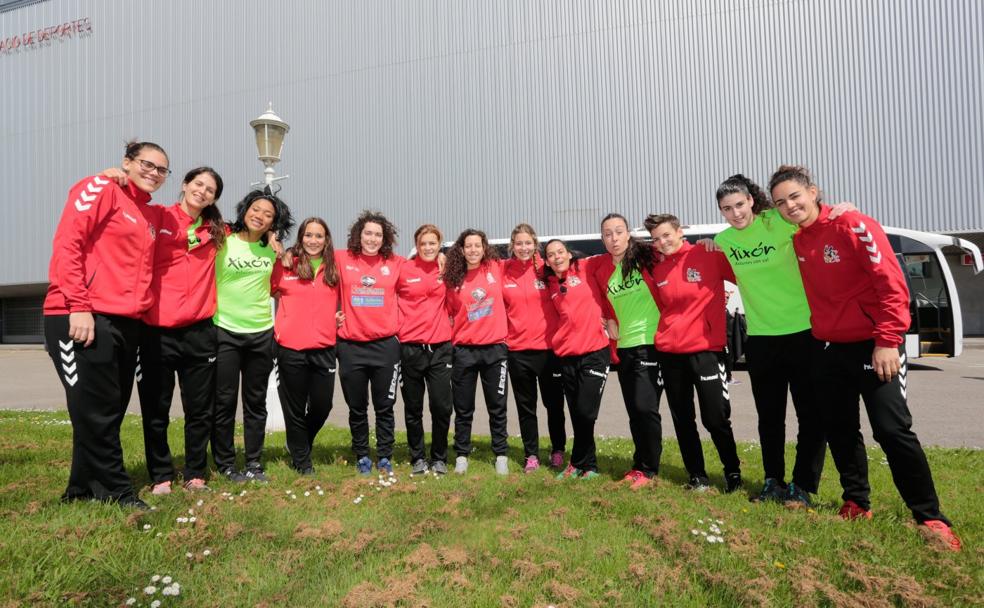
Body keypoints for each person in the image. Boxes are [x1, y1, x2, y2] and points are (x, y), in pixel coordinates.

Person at [770, 164, 961, 551]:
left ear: (814, 191)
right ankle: (856, 501)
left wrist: (888, 340)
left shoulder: (855, 225)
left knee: (892, 431)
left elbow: (891, 284)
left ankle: (930, 516)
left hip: (875, 347)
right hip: (826, 348)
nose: (789, 206)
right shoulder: (799, 240)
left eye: (795, 196)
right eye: (780, 202)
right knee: (840, 430)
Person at [43, 141, 168, 509]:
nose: (154, 173)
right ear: (127, 162)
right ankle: (118, 491)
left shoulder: (145, 213)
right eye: (147, 164)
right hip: (81, 316)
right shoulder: (99, 189)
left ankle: (82, 490)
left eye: (162, 169)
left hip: (124, 322)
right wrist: (79, 306)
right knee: (94, 411)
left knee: (105, 411)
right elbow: (68, 244)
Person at [713, 174, 827, 506]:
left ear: (751, 200)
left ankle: (802, 486)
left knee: (810, 414)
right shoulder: (724, 242)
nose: (735, 214)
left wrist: (840, 211)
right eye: (726, 209)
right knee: (770, 417)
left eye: (739, 204)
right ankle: (772, 481)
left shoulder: (779, 220)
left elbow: (816, 220)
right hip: (761, 339)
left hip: (805, 333)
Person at [137, 167, 226, 494]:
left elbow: (253, 232)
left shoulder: (217, 230)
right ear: (185, 184)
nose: (202, 191)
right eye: (198, 184)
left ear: (214, 198)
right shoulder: (158, 216)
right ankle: (160, 475)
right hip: (155, 332)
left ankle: (194, 472)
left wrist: (275, 242)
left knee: (199, 410)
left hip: (200, 333)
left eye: (210, 189)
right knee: (156, 408)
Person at [644, 213, 743, 493]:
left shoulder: (707, 254)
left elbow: (745, 277)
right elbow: (662, 307)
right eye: (656, 239)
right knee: (683, 418)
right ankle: (697, 475)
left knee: (715, 417)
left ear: (679, 231)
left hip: (706, 352)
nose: (662, 242)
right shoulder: (656, 268)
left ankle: (732, 472)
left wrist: (720, 245)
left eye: (666, 235)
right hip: (670, 353)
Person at [211, 189, 293, 483]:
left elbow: (279, 285)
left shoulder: (272, 249)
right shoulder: (223, 240)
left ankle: (254, 462)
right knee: (224, 400)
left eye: (268, 214)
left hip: (260, 332)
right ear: (245, 210)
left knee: (255, 402)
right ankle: (225, 463)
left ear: (274, 223)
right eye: (256, 209)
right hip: (225, 331)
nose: (260, 215)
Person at [591, 214, 664, 490]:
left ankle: (649, 468)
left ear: (628, 234)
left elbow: (678, 254)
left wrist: (707, 243)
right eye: (607, 234)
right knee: (635, 410)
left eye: (618, 232)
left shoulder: (648, 256)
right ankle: (639, 465)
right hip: (624, 347)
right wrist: (608, 317)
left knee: (646, 408)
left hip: (651, 342)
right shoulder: (601, 267)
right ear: (603, 239)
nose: (613, 238)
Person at [335, 211, 404, 475]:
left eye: (378, 234)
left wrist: (443, 257)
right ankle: (362, 454)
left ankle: (385, 454)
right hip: (351, 346)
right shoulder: (342, 258)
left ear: (384, 238)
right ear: (358, 235)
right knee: (357, 407)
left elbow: (426, 269)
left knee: (385, 406)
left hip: (385, 346)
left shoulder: (396, 263)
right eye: (368, 233)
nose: (372, 239)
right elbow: (312, 259)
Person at [270, 217, 340, 475]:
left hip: (324, 348)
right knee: (294, 408)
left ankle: (298, 443)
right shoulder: (287, 265)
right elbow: (262, 287)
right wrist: (274, 245)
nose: (313, 240)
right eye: (308, 235)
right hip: (290, 349)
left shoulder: (335, 268)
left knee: (323, 405)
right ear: (300, 239)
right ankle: (302, 461)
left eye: (318, 236)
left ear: (326, 239)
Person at [542, 239, 611, 480]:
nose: (557, 257)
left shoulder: (586, 267)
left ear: (569, 254)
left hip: (595, 352)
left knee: (586, 412)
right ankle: (589, 467)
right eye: (551, 255)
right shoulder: (549, 283)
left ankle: (575, 463)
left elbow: (617, 253)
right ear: (546, 261)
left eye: (560, 252)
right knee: (577, 413)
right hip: (567, 355)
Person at [443, 229, 510, 475]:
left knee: (497, 406)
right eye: (468, 246)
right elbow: (449, 313)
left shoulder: (496, 268)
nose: (473, 250)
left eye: (477, 245)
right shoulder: (453, 278)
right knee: (463, 407)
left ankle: (501, 454)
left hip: (495, 349)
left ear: (484, 248)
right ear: (461, 250)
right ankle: (462, 454)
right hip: (464, 351)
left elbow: (526, 259)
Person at [502, 224, 567, 473]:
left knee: (554, 405)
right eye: (519, 243)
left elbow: (580, 265)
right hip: (518, 352)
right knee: (526, 407)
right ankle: (531, 454)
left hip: (549, 351)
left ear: (535, 244)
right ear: (512, 245)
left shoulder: (547, 267)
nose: (523, 248)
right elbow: (475, 263)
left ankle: (558, 450)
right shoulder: (503, 270)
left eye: (528, 243)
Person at [397, 224, 453, 475]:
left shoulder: (447, 268)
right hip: (410, 348)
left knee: (442, 406)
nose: (428, 247)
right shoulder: (403, 268)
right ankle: (418, 456)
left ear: (440, 245)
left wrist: (446, 258)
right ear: (416, 246)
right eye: (423, 243)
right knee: (413, 407)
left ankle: (439, 456)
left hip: (441, 348)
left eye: (433, 243)